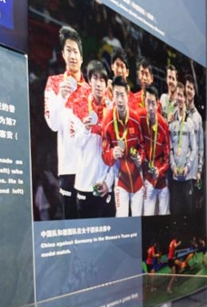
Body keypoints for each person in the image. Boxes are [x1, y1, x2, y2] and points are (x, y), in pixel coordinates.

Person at [43, 25, 90, 220]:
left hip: (90, 170)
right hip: (69, 169)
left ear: (81, 56)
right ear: (62, 54)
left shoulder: (91, 90)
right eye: (68, 50)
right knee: (71, 227)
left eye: (76, 51)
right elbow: (53, 124)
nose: (72, 55)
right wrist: (61, 98)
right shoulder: (54, 83)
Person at [73, 60, 115, 218]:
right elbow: (77, 144)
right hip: (84, 185)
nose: (98, 83)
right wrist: (86, 129)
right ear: (89, 81)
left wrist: (108, 182)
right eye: (95, 78)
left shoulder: (112, 113)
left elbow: (115, 153)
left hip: (103, 186)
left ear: (106, 84)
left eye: (102, 80)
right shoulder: (80, 107)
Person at [102, 76, 144, 217]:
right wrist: (112, 154)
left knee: (138, 222)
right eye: (116, 95)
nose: (119, 100)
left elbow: (142, 146)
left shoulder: (135, 119)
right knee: (122, 219)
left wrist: (140, 158)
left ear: (127, 95)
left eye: (122, 95)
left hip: (138, 180)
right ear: (112, 95)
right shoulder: (107, 122)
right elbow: (104, 155)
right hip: (120, 181)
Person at [140, 84, 171, 216]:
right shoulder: (140, 118)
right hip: (148, 175)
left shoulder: (163, 125)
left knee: (164, 215)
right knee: (147, 215)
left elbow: (168, 158)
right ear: (144, 102)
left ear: (158, 104)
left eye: (153, 103)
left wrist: (160, 171)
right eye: (148, 103)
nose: (150, 108)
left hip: (162, 178)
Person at [168, 86, 197, 215]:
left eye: (182, 95)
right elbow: (170, 148)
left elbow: (194, 148)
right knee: (175, 212)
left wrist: (188, 166)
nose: (179, 98)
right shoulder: (172, 124)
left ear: (185, 98)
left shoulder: (190, 123)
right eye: (178, 95)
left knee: (188, 212)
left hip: (187, 176)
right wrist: (173, 166)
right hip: (175, 177)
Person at [183, 73, 205, 210]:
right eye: (187, 87)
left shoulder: (197, 118)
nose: (189, 90)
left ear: (194, 92)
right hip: (178, 172)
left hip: (191, 173)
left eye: (191, 88)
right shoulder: (178, 111)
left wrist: (199, 170)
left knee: (189, 209)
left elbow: (200, 147)